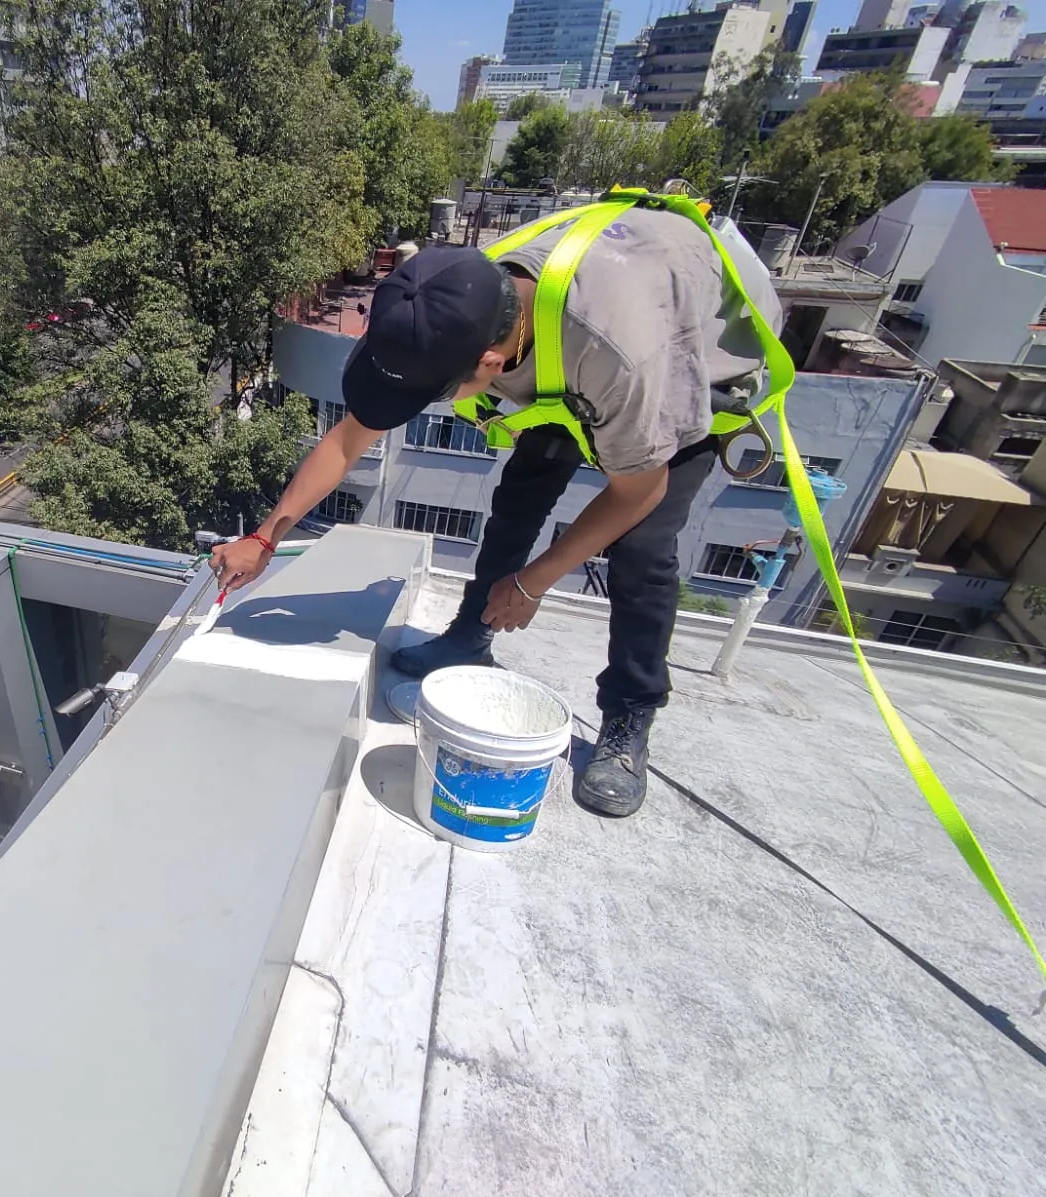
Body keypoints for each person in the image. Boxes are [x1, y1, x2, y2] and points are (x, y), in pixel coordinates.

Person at [210, 203, 783, 818]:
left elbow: (636, 491)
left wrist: (532, 583)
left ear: (488, 363)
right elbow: (350, 438)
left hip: (687, 360)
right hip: (565, 365)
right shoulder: (454, 302)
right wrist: (266, 539)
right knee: (522, 492)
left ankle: (628, 720)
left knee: (643, 550)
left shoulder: (622, 356)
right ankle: (468, 638)